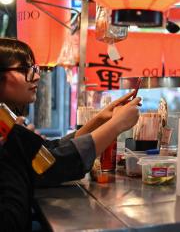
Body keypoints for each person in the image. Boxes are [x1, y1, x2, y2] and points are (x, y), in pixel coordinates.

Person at [0, 37, 141, 185]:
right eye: (24, 69)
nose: (36, 77)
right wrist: (116, 125)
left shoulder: (5, 117)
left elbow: (48, 150)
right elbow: (54, 166)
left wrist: (101, 119)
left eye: (34, 69)